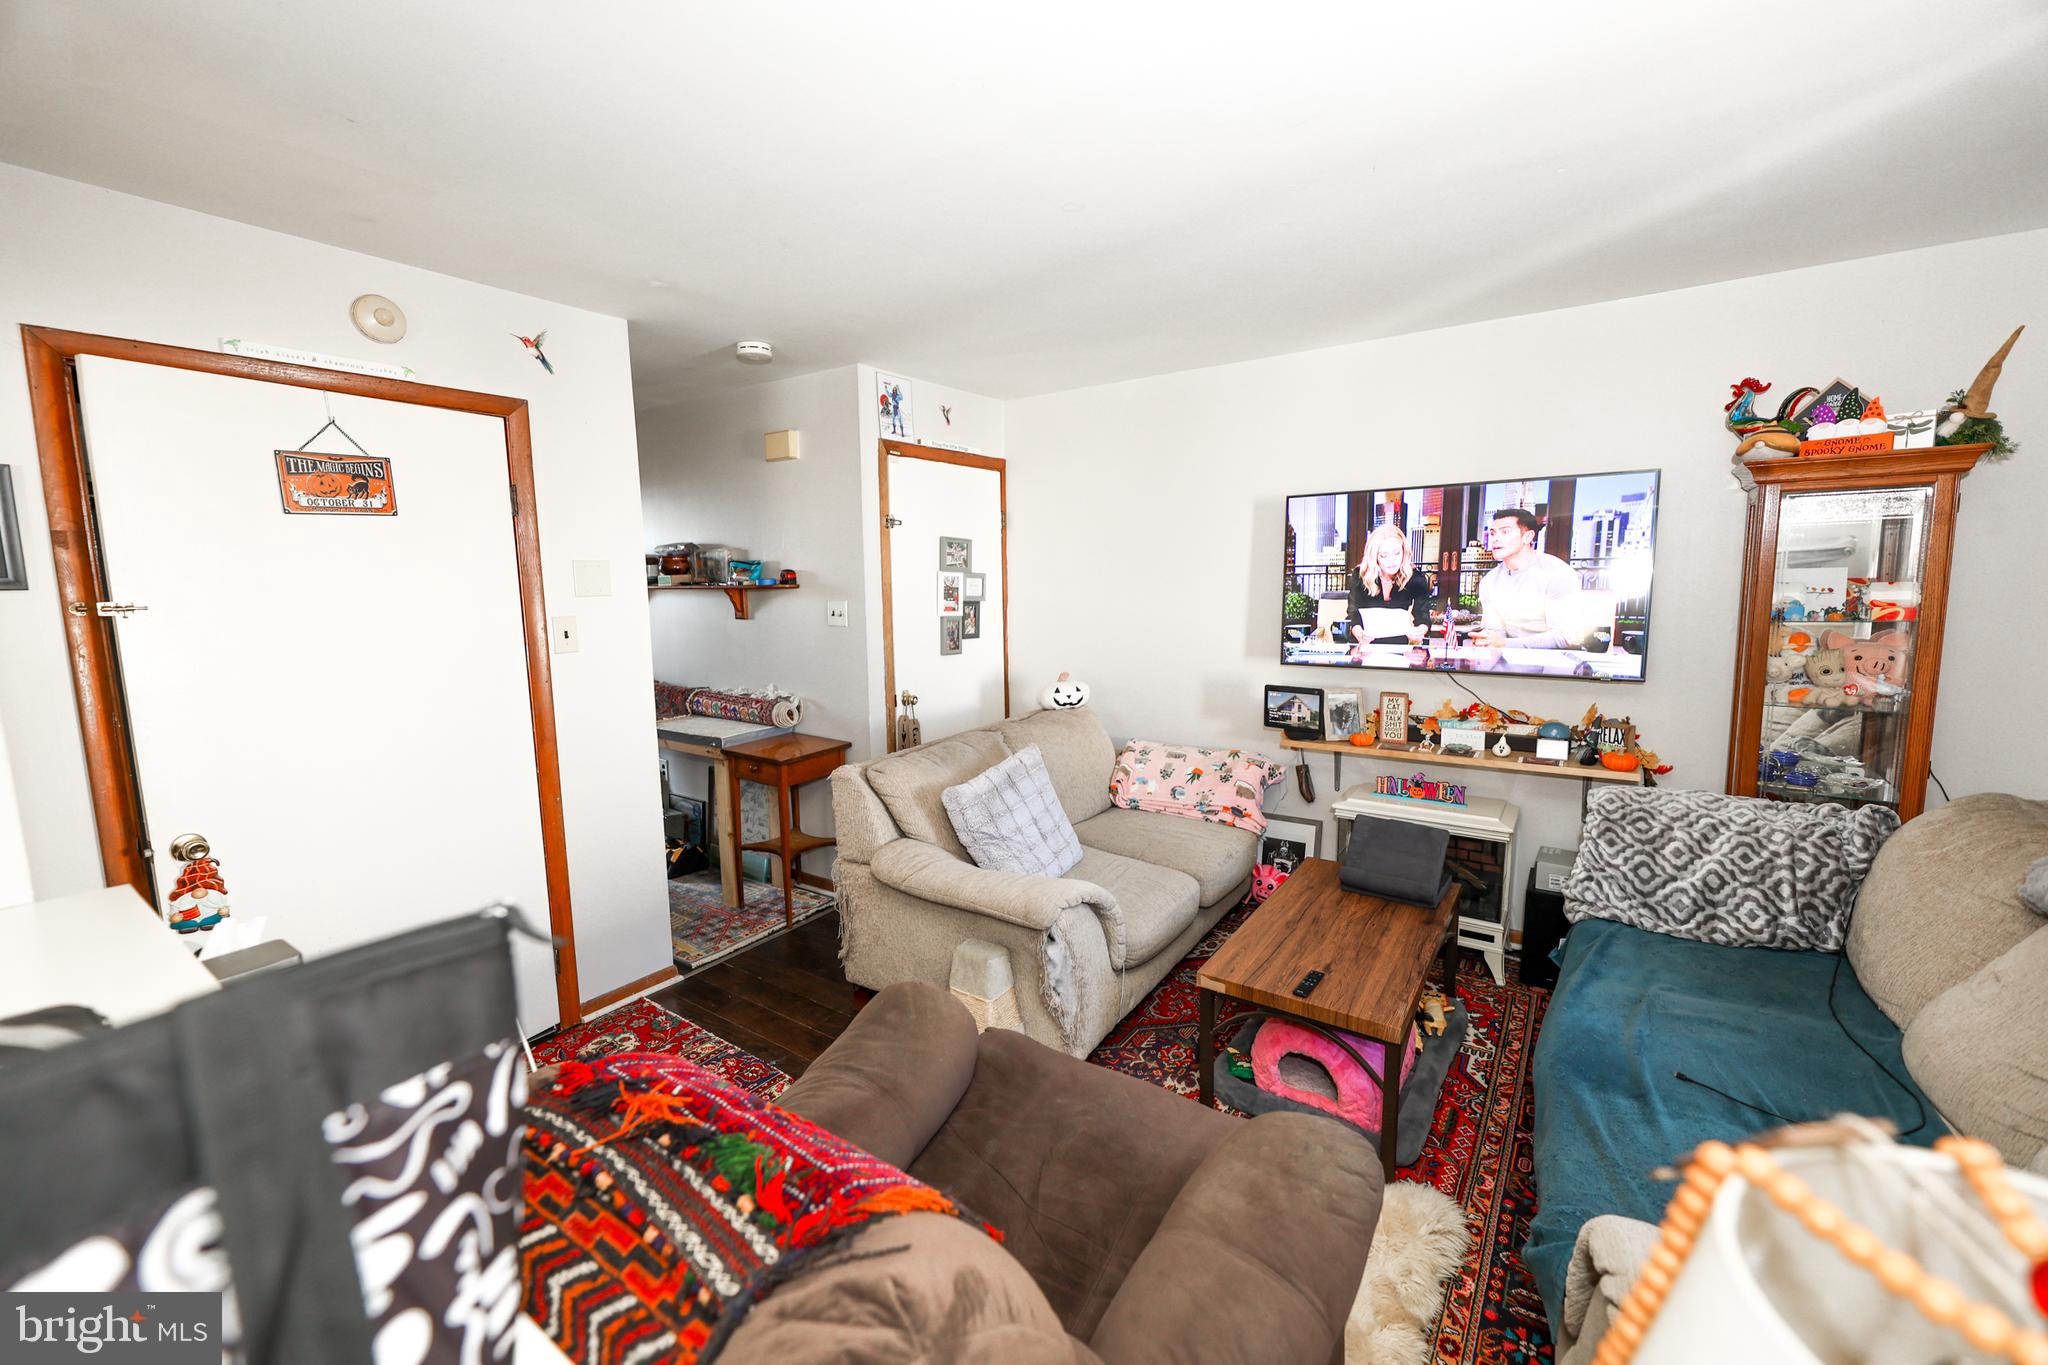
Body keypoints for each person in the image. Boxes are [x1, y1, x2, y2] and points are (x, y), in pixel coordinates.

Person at [1473, 508, 1590, 649]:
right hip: (1508, 658)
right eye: (1493, 533)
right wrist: (1489, 641)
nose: (1495, 538)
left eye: (1505, 532)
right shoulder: (1489, 581)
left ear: (1527, 537)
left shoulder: (1557, 573)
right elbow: (1496, 632)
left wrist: (1506, 644)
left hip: (1556, 660)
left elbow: (1565, 636)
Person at [1348, 523, 1434, 644]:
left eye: (1397, 553)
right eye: (1384, 555)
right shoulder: (1360, 576)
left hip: (1399, 647)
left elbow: (1423, 617)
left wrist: (1419, 632)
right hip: (1364, 646)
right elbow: (1353, 615)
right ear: (1375, 557)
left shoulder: (1416, 579)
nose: (1391, 561)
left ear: (1404, 552)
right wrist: (1359, 633)